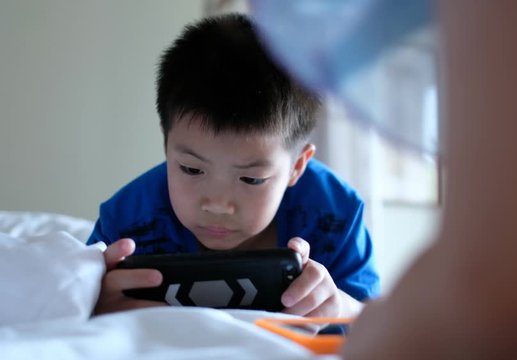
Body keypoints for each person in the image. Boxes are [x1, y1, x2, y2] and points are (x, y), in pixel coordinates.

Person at [248, 0, 517, 358]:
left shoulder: (335, 207)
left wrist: (369, 341)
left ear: (298, 165)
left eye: (252, 176)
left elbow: (498, 275)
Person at [87, 14, 380, 317]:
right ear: (166, 142)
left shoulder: (336, 214)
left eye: (251, 179)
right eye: (191, 169)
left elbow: (376, 321)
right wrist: (95, 304)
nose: (217, 205)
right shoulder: (126, 220)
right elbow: (65, 304)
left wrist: (340, 307)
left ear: (297, 166)